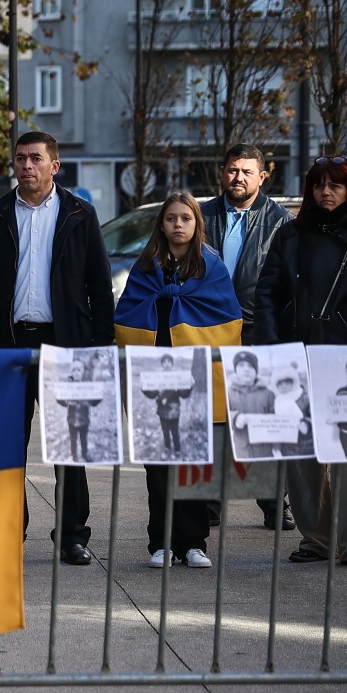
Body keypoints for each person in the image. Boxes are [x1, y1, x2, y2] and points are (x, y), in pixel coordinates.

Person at [0, 131, 114, 565]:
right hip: (7, 344)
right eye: (21, 158)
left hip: (65, 342)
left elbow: (100, 288)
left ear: (54, 165)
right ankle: (10, 529)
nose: (26, 166)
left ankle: (72, 536)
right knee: (8, 442)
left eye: (36, 159)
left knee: (71, 444)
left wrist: (100, 349)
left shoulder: (80, 215)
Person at [255, 156, 347, 568]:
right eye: (318, 185)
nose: (326, 192)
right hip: (295, 355)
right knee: (301, 453)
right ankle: (315, 539)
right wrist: (273, 346)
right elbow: (267, 294)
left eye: (335, 185)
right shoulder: (290, 235)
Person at [114, 191, 241, 569]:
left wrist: (176, 300)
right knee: (158, 463)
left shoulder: (212, 265)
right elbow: (127, 314)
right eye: (171, 218)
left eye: (186, 218)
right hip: (154, 374)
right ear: (162, 224)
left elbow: (227, 318)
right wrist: (163, 299)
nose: (178, 225)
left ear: (196, 223)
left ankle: (194, 543)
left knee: (193, 460)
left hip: (195, 374)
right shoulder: (145, 265)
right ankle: (161, 542)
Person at [200, 143, 295, 529]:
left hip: (258, 330)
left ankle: (274, 503)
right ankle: (209, 505)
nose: (237, 177)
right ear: (222, 171)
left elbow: (287, 285)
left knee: (260, 421)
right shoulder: (201, 214)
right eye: (232, 170)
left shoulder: (280, 222)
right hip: (208, 330)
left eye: (246, 171)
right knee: (213, 420)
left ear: (262, 176)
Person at [55, 358, 100, 461]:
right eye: (74, 370)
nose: (76, 372)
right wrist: (65, 402)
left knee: (84, 439)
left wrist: (98, 397)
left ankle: (84, 453)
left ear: (83, 371)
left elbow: (93, 401)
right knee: (73, 439)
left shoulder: (87, 387)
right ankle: (74, 456)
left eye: (79, 370)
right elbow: (60, 398)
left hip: (84, 419)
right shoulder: (68, 386)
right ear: (71, 372)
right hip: (71, 419)